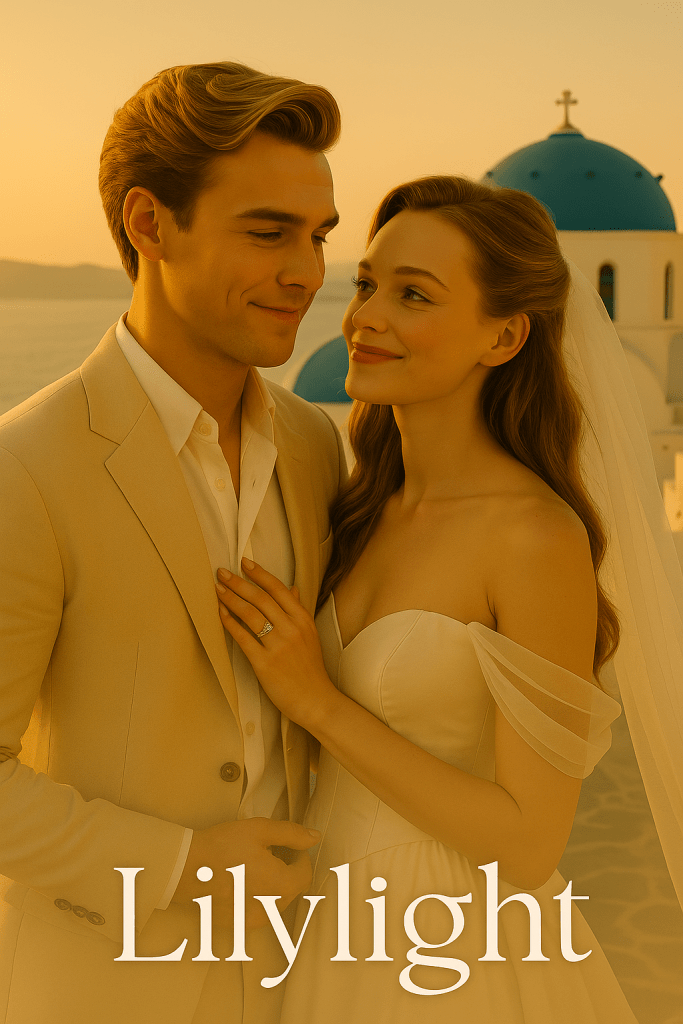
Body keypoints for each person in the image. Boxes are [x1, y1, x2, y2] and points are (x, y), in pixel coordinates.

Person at [213, 175, 658, 1022]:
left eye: (413, 294)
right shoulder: (352, 506)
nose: (365, 317)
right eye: (367, 284)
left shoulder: (534, 536)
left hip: (451, 949)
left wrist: (316, 702)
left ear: (504, 336)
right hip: (325, 926)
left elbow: (530, 843)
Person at [0, 62, 347, 1024]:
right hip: (103, 988)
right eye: (268, 232)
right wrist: (181, 865)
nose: (307, 272)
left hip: (301, 980)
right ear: (150, 224)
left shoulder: (318, 446)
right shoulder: (24, 465)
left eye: (317, 237)